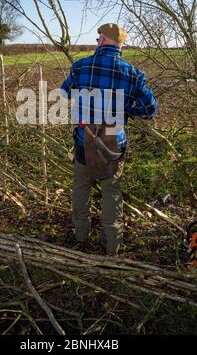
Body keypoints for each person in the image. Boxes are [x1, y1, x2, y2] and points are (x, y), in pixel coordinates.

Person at [60, 23, 158, 255]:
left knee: (81, 187)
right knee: (111, 190)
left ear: (102, 39)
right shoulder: (132, 73)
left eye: (97, 39)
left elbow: (63, 94)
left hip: (86, 138)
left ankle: (81, 236)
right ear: (120, 44)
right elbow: (150, 108)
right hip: (114, 140)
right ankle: (112, 244)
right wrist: (125, 111)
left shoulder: (80, 66)